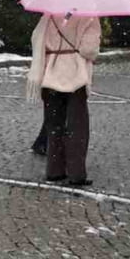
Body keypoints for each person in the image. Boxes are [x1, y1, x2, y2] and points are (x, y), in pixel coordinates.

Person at [26, 12, 102, 186]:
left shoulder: (49, 15)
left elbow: (36, 38)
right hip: (75, 76)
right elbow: (89, 50)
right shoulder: (89, 16)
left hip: (50, 75)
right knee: (77, 127)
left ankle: (54, 171)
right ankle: (76, 174)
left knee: (54, 125)